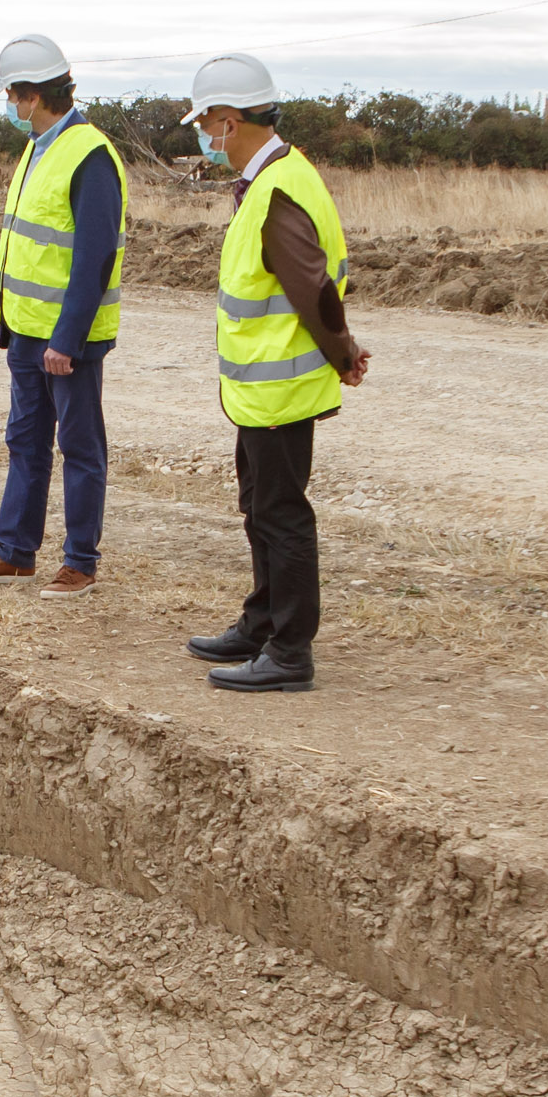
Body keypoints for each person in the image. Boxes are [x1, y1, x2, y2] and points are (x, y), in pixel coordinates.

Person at [178, 54, 366, 692]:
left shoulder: (280, 187)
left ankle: (289, 653)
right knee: (260, 505)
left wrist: (343, 354)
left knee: (281, 513)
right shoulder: (275, 179)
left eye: (206, 123)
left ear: (230, 121)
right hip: (262, 389)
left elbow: (312, 288)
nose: (204, 136)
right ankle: (260, 623)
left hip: (280, 388)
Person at [0, 36, 126, 598]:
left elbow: (94, 256)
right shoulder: (38, 146)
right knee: (24, 442)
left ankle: (80, 562)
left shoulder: (90, 154)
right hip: (25, 331)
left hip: (66, 340)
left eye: (12, 95)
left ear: (33, 95)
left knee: (79, 447)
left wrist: (67, 338)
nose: (9, 104)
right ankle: (15, 552)